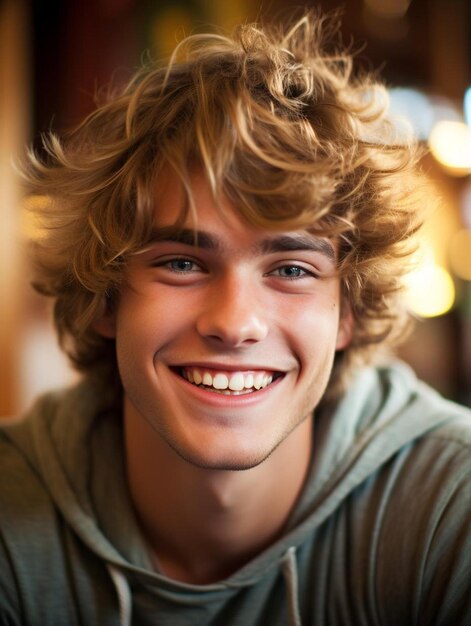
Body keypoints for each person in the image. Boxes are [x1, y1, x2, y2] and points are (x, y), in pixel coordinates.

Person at [1, 10, 470, 626]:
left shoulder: (451, 505)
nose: (235, 322)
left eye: (292, 270)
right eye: (181, 263)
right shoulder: (12, 507)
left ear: (347, 314)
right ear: (106, 297)